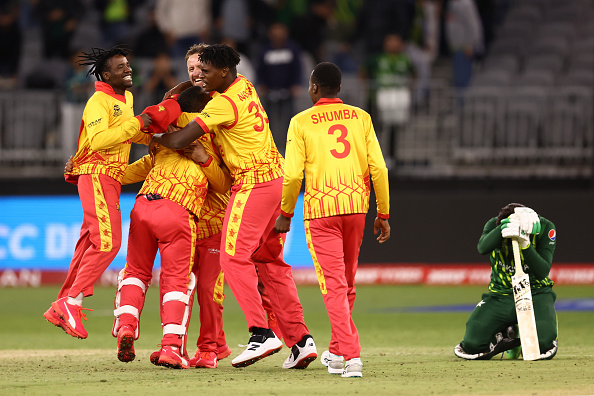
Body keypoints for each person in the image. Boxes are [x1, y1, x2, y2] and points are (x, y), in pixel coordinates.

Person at [150, 44, 317, 369]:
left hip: (254, 183)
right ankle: (300, 340)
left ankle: (261, 333)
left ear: (223, 72)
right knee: (269, 261)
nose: (201, 77)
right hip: (278, 179)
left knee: (233, 257)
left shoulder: (223, 104)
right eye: (196, 71)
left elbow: (182, 139)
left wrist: (152, 138)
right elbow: (195, 93)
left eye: (206, 71)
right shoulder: (245, 87)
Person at [274, 62, 391, 378]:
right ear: (338, 88)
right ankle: (338, 351)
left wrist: (285, 212)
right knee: (347, 283)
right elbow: (379, 169)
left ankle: (351, 356)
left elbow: (293, 173)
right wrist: (383, 212)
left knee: (334, 286)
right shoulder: (361, 118)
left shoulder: (300, 122)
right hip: (355, 207)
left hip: (321, 211)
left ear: (314, 88)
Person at [111, 86, 232, 369]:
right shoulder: (209, 135)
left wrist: (92, 172)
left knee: (135, 272)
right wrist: (204, 159)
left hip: (143, 206)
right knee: (178, 282)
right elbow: (224, 184)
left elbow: (132, 170)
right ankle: (172, 348)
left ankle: (126, 325)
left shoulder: (164, 136)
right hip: (179, 210)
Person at [43, 46, 153, 339]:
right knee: (108, 242)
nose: (128, 70)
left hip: (110, 177)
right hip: (96, 174)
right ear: (106, 74)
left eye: (128, 65)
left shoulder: (126, 98)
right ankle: (71, 300)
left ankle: (62, 304)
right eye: (121, 67)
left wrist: (154, 133)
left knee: (88, 242)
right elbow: (102, 139)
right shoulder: (98, 101)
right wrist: (138, 123)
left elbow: (128, 131)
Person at [453, 203, 558, 361]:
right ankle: (505, 335)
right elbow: (482, 247)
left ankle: (528, 334)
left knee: (542, 345)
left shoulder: (545, 227)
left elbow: (543, 271)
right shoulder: (493, 223)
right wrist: (505, 227)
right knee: (472, 345)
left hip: (536, 294)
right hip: (500, 295)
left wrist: (525, 245)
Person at [364, 33, 417, 169]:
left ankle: (391, 157)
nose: (393, 44)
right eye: (390, 41)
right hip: (377, 98)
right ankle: (370, 158)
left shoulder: (405, 59)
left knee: (393, 128)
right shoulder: (377, 58)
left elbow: (414, 74)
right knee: (374, 129)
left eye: (396, 41)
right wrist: (369, 88)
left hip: (396, 99)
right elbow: (363, 72)